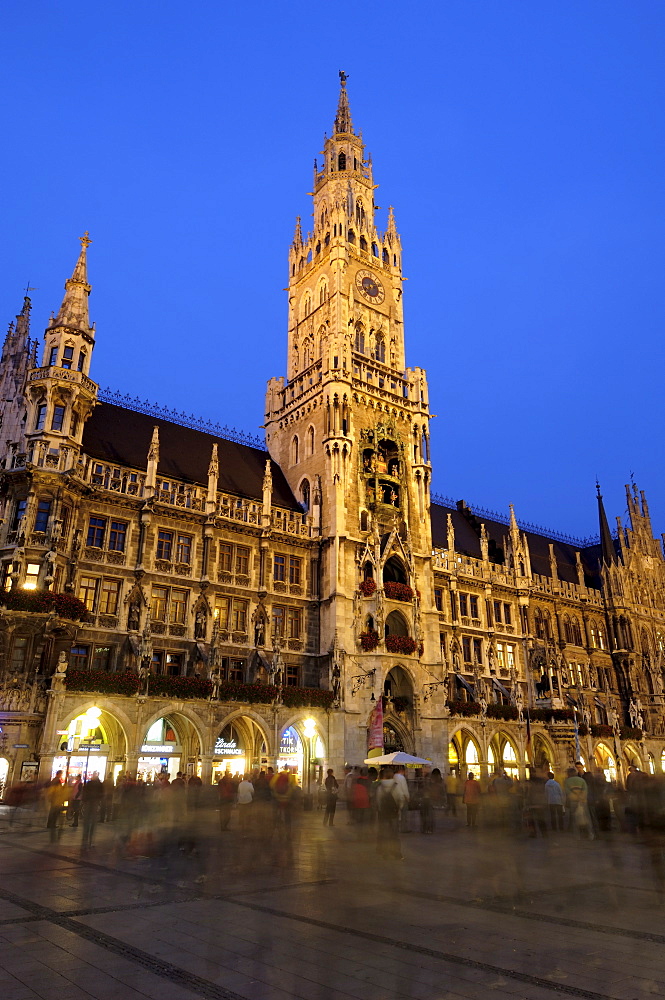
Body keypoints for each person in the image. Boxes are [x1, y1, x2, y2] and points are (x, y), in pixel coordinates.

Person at [376, 766, 403, 860]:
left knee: (385, 833)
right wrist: (399, 808)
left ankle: (385, 853)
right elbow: (401, 798)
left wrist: (380, 809)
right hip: (394, 812)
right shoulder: (396, 786)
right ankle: (397, 853)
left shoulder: (380, 787)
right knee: (395, 834)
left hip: (384, 813)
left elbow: (378, 800)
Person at [564, 767, 593, 839]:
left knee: (574, 819)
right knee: (586, 817)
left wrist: (575, 798)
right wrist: (581, 798)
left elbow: (568, 792)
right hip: (583, 802)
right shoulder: (582, 780)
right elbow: (585, 791)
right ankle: (590, 834)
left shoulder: (567, 781)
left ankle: (577, 835)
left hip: (573, 802)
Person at [80, 771, 104, 848]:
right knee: (92, 821)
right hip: (94, 802)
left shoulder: (90, 783)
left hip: (89, 802)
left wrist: (84, 800)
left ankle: (85, 837)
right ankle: (90, 838)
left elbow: (85, 791)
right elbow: (102, 794)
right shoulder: (99, 784)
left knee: (87, 820)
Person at [45, 771, 68, 842]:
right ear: (59, 774)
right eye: (61, 774)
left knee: (52, 811)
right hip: (56, 799)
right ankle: (52, 824)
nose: (61, 775)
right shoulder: (57, 780)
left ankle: (50, 824)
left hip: (53, 798)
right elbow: (58, 790)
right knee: (55, 812)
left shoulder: (54, 780)